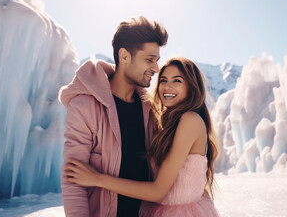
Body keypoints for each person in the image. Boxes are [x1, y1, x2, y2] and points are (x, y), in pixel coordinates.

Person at [65, 56, 220, 216]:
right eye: (163, 80)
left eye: (177, 81)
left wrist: (97, 179)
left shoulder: (190, 120)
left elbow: (158, 191)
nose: (167, 87)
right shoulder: (167, 122)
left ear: (192, 86)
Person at [58, 16, 168, 217]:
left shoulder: (151, 110)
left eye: (157, 61)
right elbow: (73, 180)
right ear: (124, 56)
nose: (156, 68)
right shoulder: (85, 106)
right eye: (149, 60)